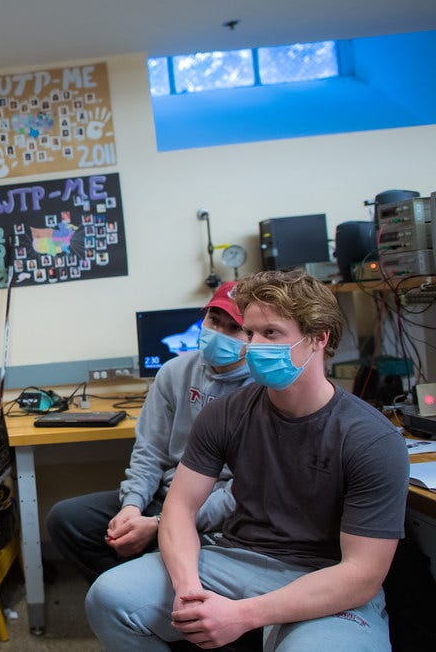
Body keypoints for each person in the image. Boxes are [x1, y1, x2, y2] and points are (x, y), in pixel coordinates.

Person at [87, 270, 410, 651]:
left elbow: (361, 575)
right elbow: (179, 510)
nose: (253, 346)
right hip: (235, 558)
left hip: (324, 576)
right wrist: (189, 590)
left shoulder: (372, 439)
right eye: (252, 333)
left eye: (270, 334)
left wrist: (243, 615)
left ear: (319, 338)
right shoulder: (225, 414)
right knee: (108, 599)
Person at [46, 282, 252, 582]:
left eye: (234, 327)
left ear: (255, 335)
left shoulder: (262, 392)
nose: (218, 333)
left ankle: (145, 589)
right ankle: (128, 592)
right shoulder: (175, 372)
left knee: (175, 555)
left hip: (219, 513)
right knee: (67, 520)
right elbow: (150, 452)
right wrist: (132, 507)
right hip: (164, 497)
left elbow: (242, 493)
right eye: (213, 320)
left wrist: (160, 524)